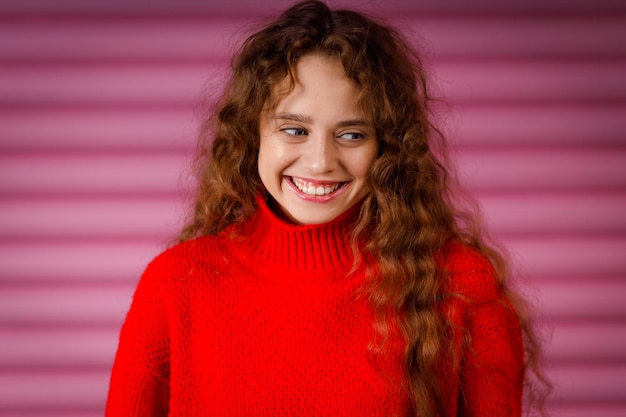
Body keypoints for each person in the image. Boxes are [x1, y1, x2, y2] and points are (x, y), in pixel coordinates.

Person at [105, 1, 549, 416]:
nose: (320, 162)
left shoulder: (460, 285)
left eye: (352, 134)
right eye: (295, 130)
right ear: (253, 133)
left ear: (387, 148)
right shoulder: (175, 285)